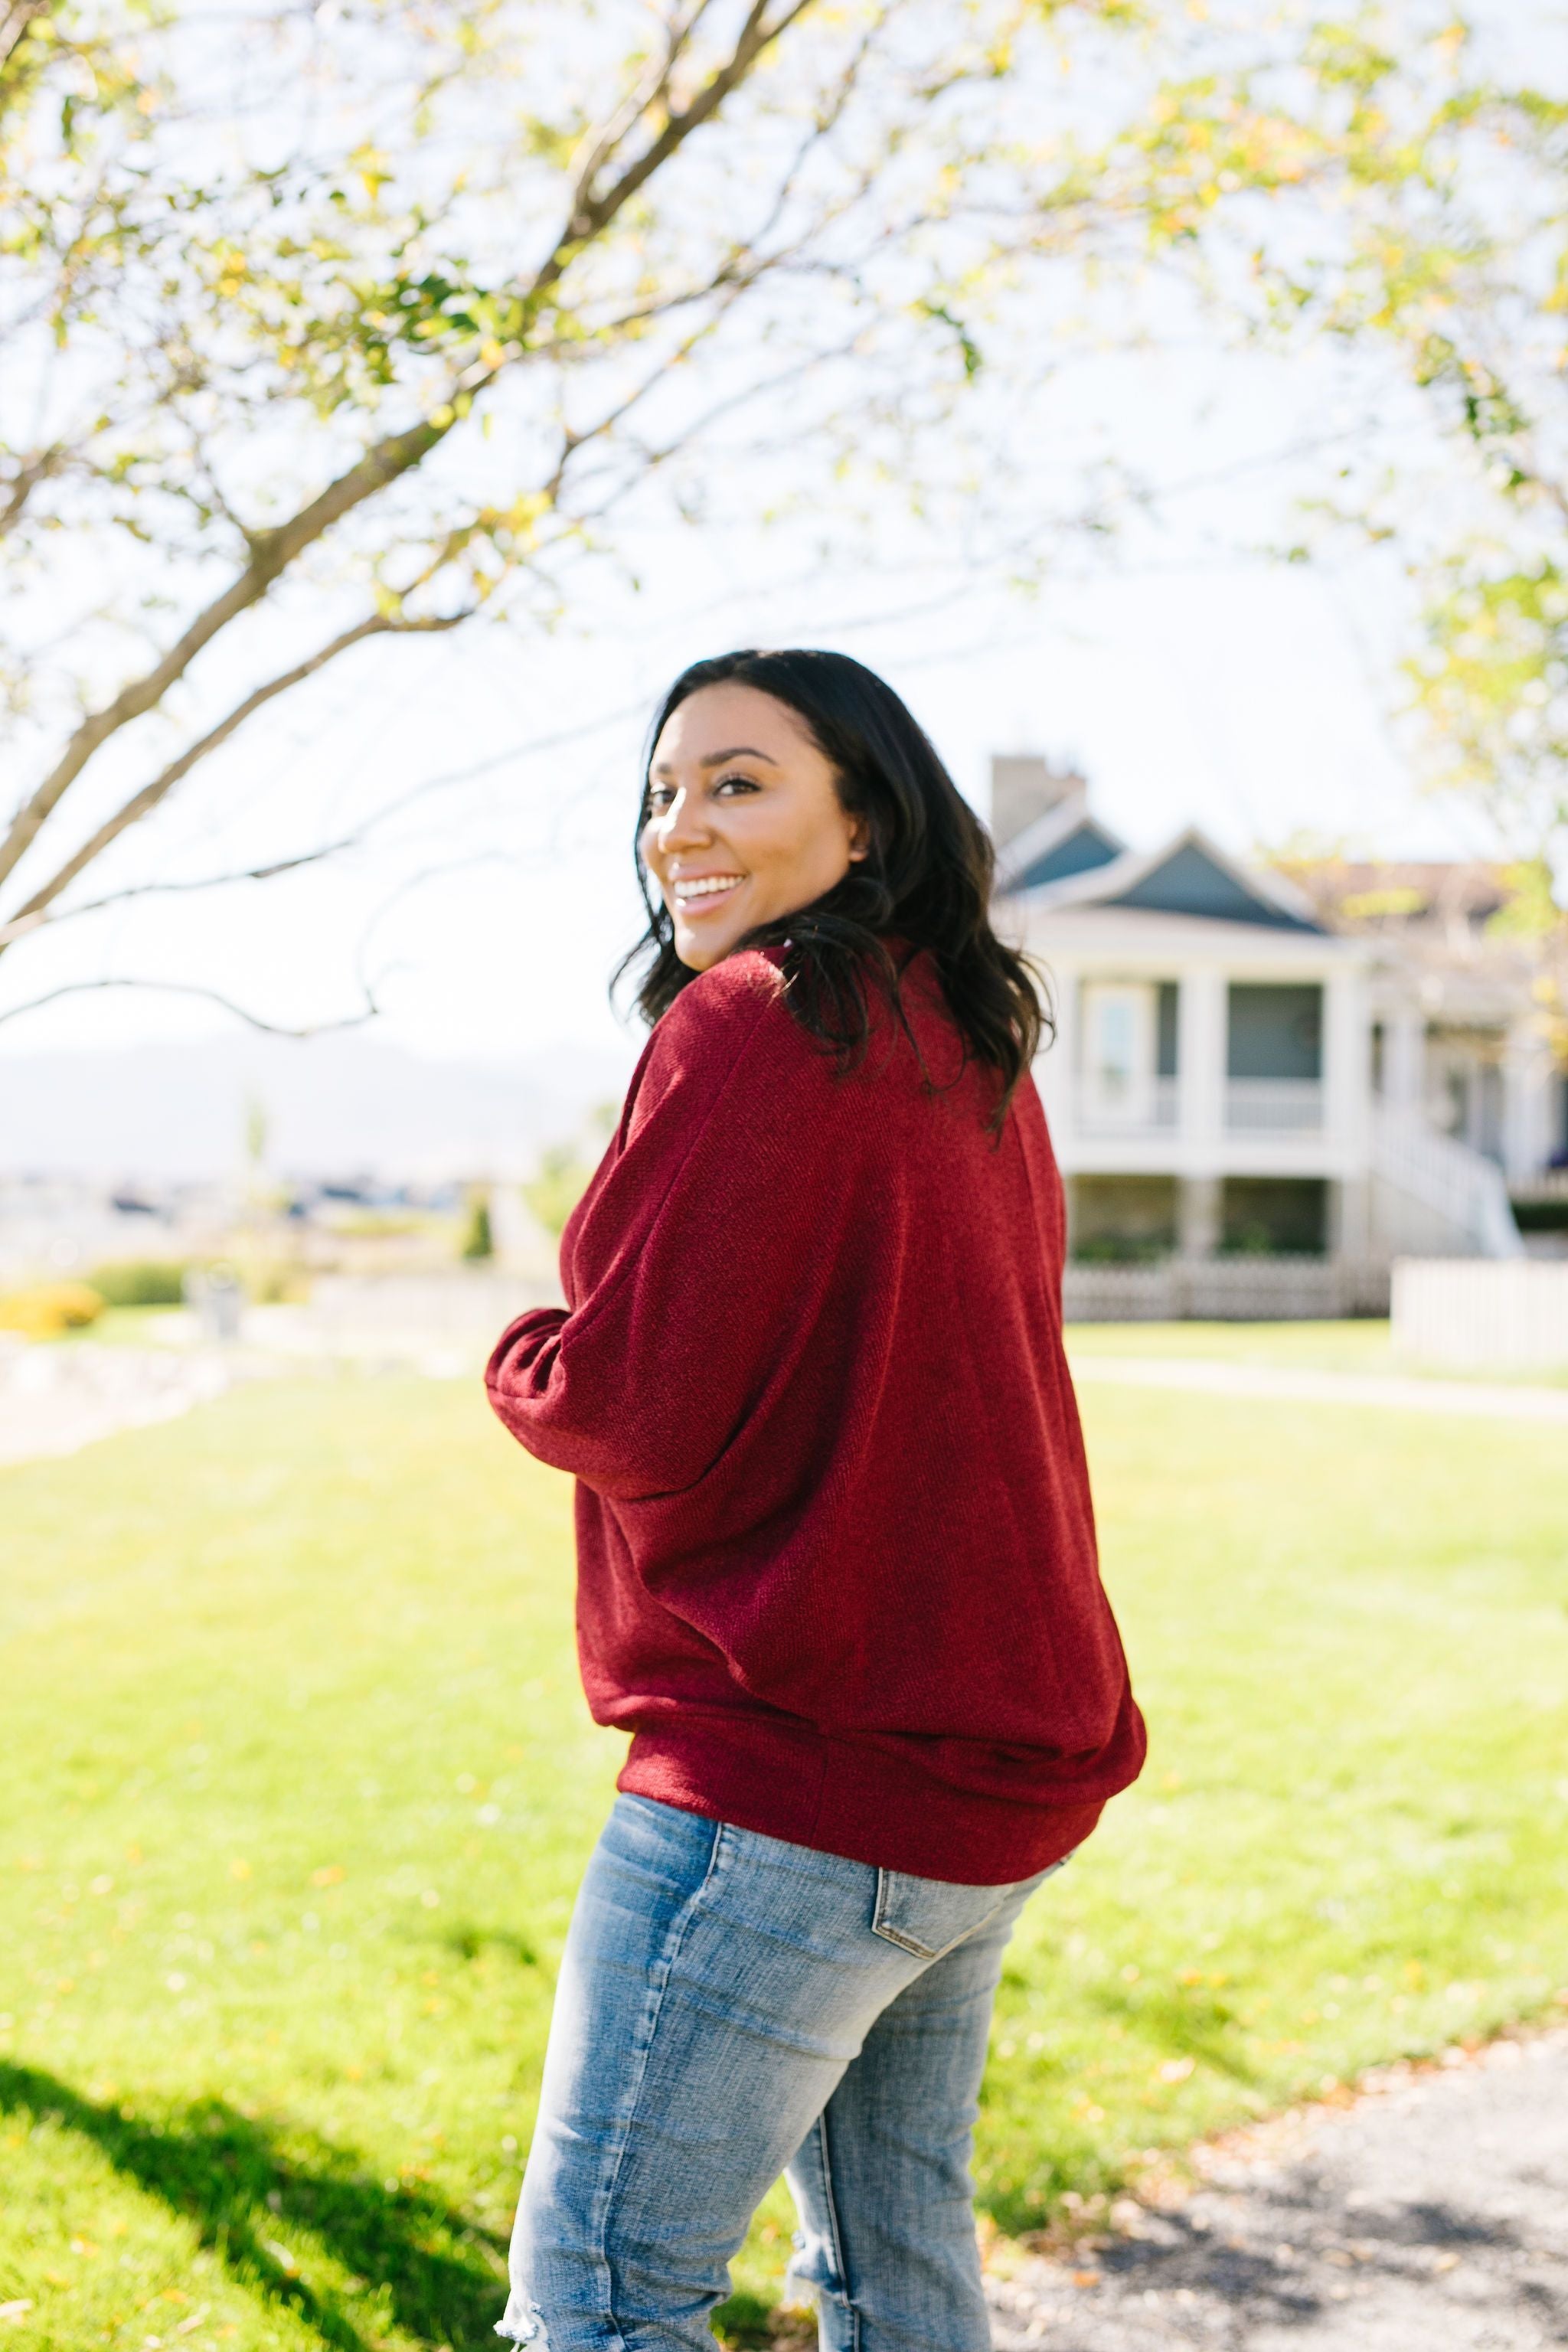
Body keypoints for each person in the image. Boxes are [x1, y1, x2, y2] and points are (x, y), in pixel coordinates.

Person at [485, 648, 1145, 2352]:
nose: (677, 828)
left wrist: (517, 1351)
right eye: (660, 792)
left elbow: (626, 1396)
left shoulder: (757, 1018)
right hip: (978, 1779)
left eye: (736, 782)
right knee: (894, 2275)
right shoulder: (956, 1026)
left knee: (599, 2303)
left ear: (864, 817)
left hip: (794, 1780)